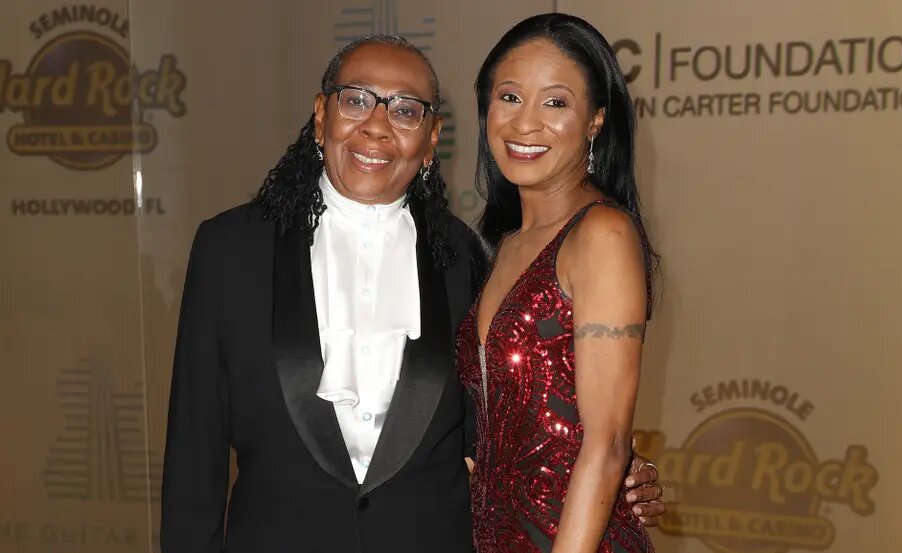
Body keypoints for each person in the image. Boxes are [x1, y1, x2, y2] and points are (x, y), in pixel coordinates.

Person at [160, 34, 663, 553]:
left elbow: (501, 422)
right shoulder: (231, 248)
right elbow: (193, 454)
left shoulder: (465, 256)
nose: (376, 125)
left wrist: (617, 466)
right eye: (356, 100)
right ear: (321, 116)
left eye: (405, 111)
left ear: (431, 139)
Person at [457, 14, 660, 552]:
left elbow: (607, 445)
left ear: (596, 120)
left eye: (554, 102)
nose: (525, 123)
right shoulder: (500, 245)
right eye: (509, 97)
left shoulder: (602, 234)